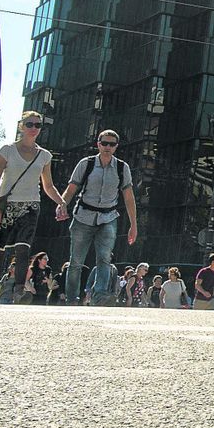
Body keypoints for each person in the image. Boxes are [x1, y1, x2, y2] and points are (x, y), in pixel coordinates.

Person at [0, 112, 68, 300]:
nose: (33, 128)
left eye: (37, 125)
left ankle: (19, 292)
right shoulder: (7, 150)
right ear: (21, 126)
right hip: (7, 205)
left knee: (23, 249)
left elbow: (48, 185)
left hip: (31, 206)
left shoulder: (44, 155)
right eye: (29, 124)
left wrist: (61, 202)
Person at [59, 129, 138, 305]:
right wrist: (62, 204)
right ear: (98, 144)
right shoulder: (85, 164)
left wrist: (134, 225)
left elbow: (129, 197)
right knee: (76, 262)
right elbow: (72, 188)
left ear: (116, 147)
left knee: (104, 259)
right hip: (83, 217)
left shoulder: (121, 167)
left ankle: (99, 296)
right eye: (104, 143)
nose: (107, 147)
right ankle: (72, 299)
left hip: (108, 217)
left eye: (111, 144)